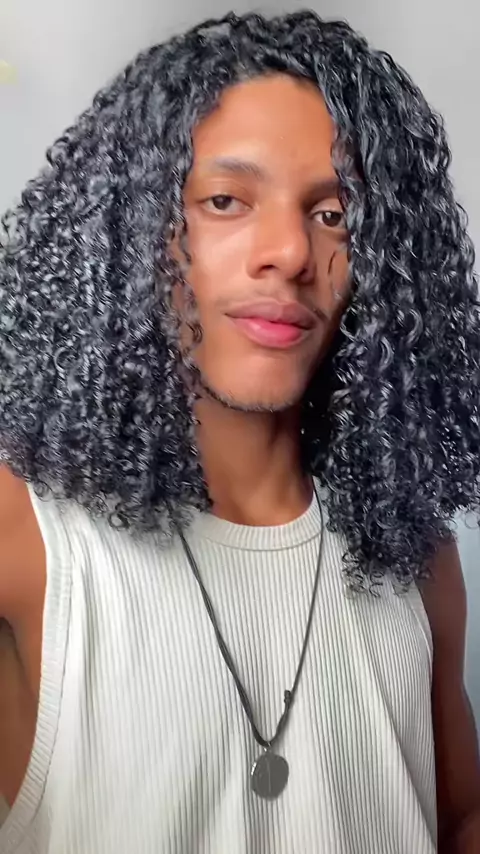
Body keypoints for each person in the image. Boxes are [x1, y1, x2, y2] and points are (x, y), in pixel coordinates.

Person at [0, 9, 479, 853]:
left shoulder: (415, 554)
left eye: (333, 214)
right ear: (135, 231)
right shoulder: (26, 536)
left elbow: (461, 818)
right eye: (226, 201)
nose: (289, 251)